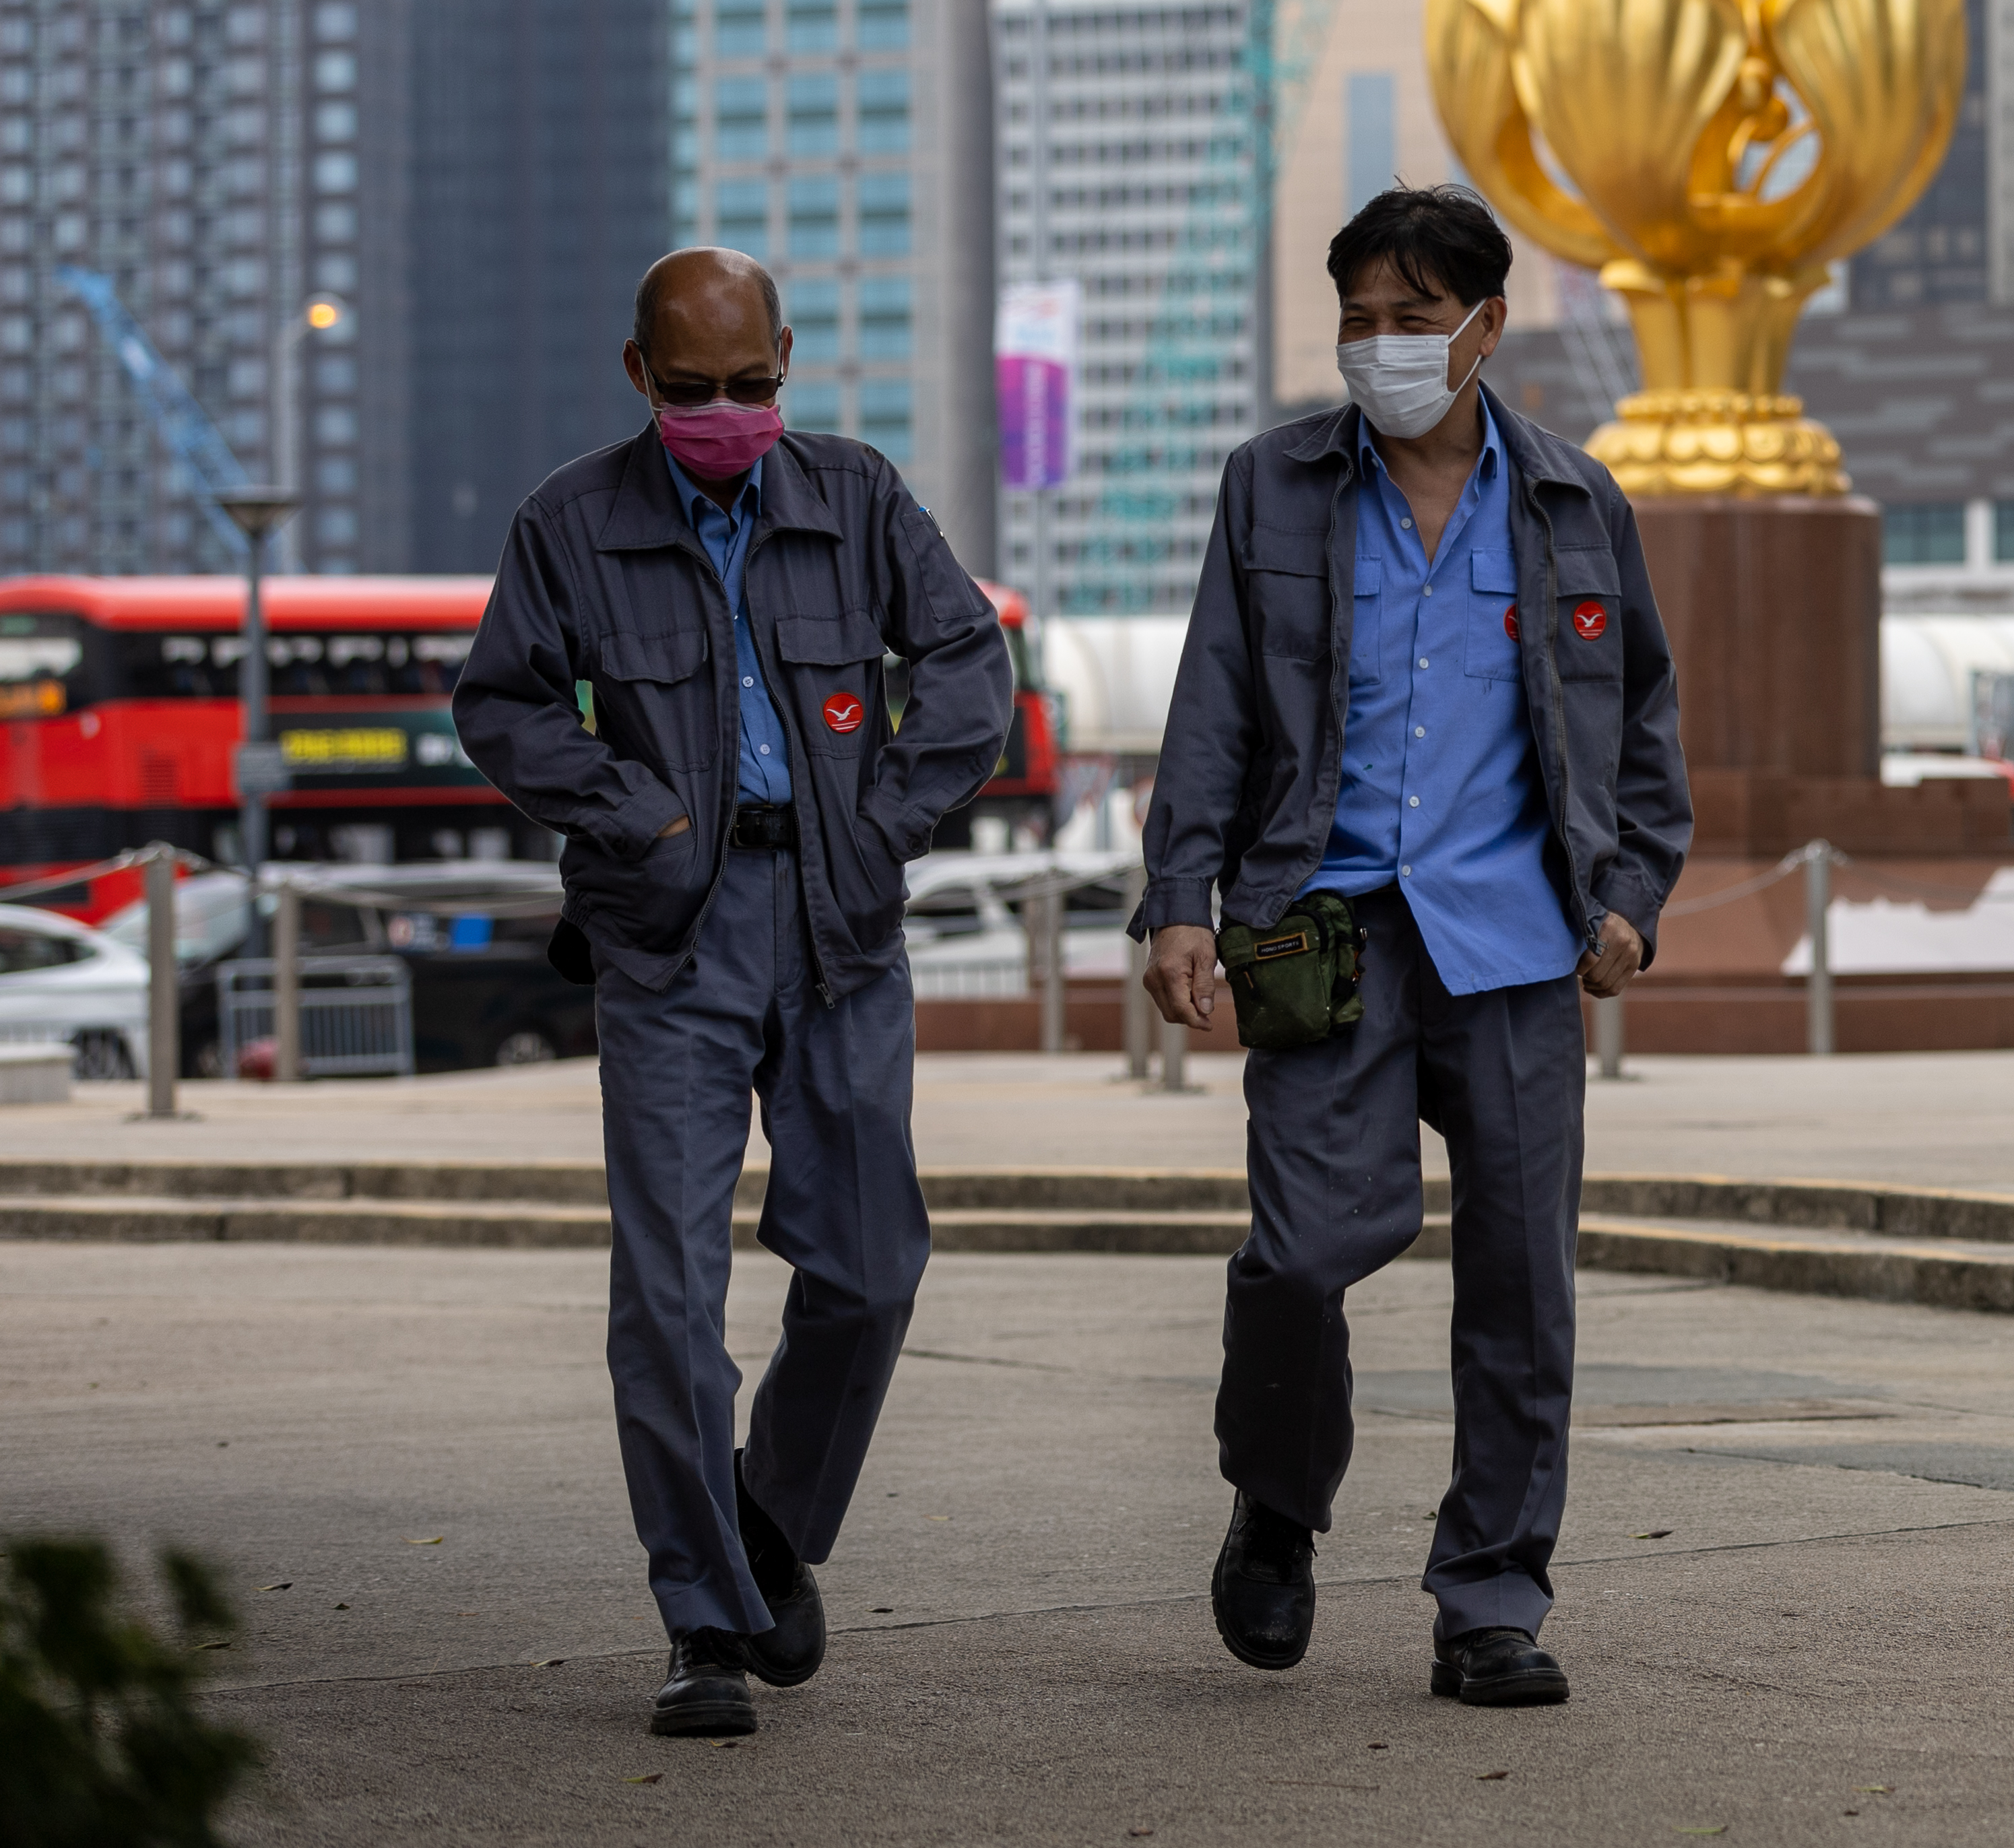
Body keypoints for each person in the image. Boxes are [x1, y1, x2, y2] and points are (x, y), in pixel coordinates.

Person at [1138, 185, 1687, 1711]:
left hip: (1514, 943)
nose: (1379, 346)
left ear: (1484, 326)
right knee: (1305, 1251)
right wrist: (1180, 895)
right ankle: (1278, 1495)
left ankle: (1489, 1598)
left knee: (1520, 1283)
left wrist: (1631, 889)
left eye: (1410, 317)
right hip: (1323, 934)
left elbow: (1641, 723)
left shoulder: (1577, 502)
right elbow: (1215, 708)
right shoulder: (1274, 489)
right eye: (1356, 320)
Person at [454, 249, 1014, 1738]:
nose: (725, 413)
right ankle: (706, 1619)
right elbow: (498, 698)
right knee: (668, 1297)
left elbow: (966, 660)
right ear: (639, 376)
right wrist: (637, 814)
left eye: (751, 386)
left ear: (789, 362)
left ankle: (768, 1519)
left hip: (841, 924)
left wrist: (885, 817)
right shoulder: (571, 521)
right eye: (693, 390)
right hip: (668, 935)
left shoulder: (861, 495)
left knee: (872, 1264)